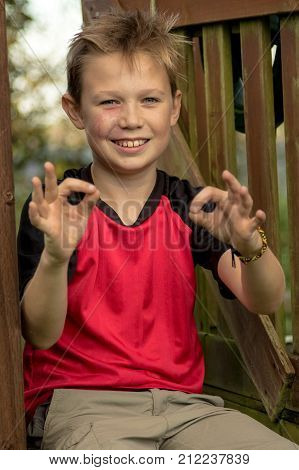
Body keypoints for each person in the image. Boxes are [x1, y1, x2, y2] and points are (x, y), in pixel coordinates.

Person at [18, 9, 297, 450]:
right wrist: (55, 255)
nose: (131, 118)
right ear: (75, 110)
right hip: (83, 408)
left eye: (149, 99)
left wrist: (249, 244)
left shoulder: (190, 206)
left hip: (185, 410)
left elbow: (262, 296)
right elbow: (40, 332)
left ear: (174, 108)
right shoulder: (62, 209)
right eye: (110, 101)